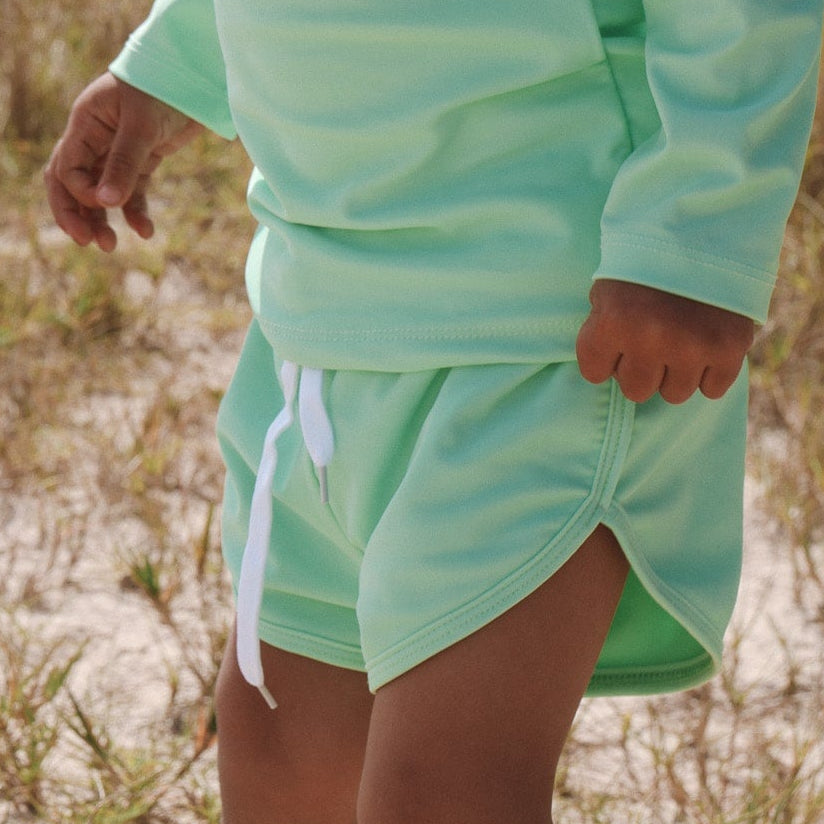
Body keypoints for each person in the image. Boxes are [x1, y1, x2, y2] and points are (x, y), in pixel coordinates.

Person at [45, 1, 822, 821]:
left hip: (545, 334)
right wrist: (173, 62)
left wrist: (695, 221)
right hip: (316, 328)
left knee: (445, 787)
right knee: (278, 753)